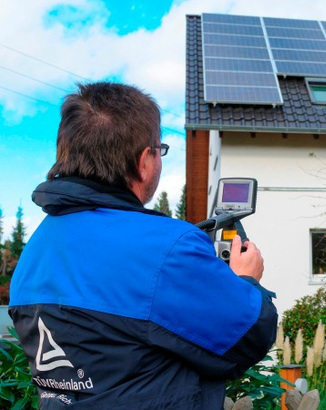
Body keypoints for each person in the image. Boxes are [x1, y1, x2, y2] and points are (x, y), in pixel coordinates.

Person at [9, 82, 277, 409]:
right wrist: (246, 280)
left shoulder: (34, 251)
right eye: (159, 150)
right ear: (144, 162)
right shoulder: (169, 247)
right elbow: (248, 337)